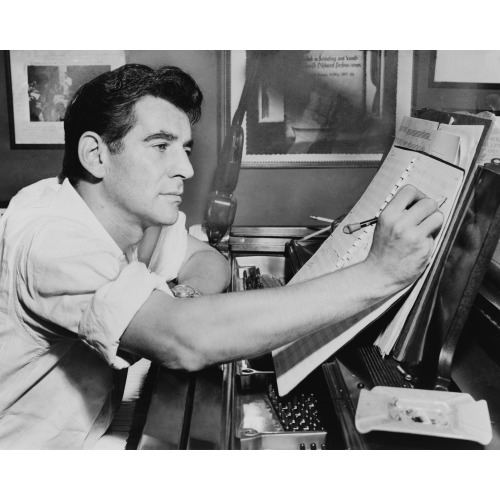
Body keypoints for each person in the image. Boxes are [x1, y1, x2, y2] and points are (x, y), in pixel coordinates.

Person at [0, 64, 444, 449]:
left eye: (186, 149)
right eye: (160, 146)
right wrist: (378, 275)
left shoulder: (131, 212)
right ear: (96, 155)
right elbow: (183, 342)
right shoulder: (53, 238)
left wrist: (185, 297)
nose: (187, 169)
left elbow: (206, 259)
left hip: (88, 427)